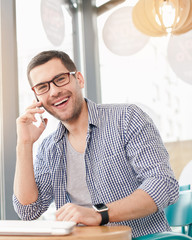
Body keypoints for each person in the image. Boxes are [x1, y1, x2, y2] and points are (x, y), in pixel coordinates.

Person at [13, 50, 179, 238]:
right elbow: (28, 211)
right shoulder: (49, 149)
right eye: (42, 87)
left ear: (80, 80)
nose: (54, 91)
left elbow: (163, 184)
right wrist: (24, 144)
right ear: (37, 99)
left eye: (60, 79)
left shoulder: (126, 119)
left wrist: (99, 213)